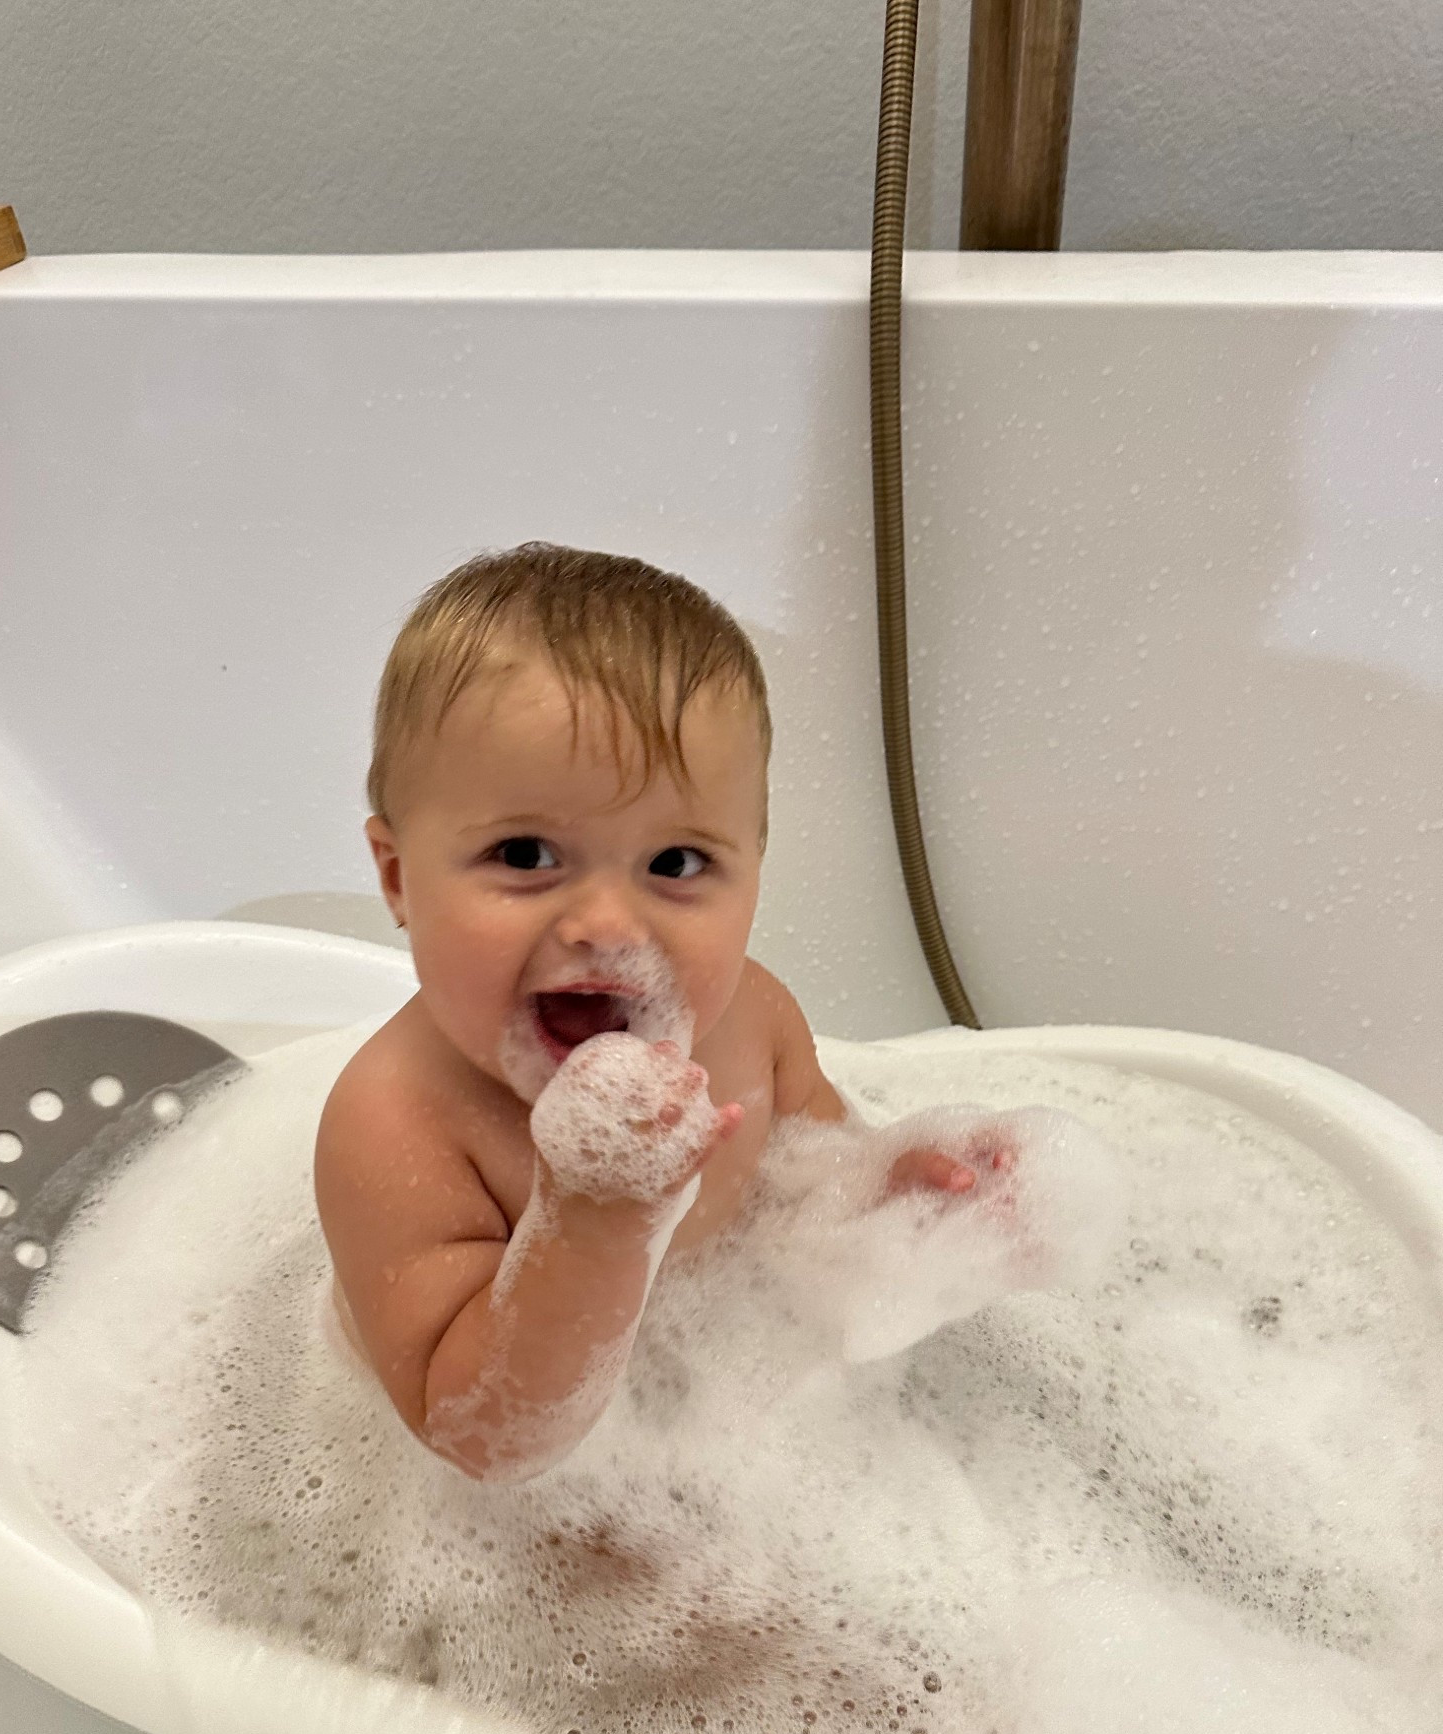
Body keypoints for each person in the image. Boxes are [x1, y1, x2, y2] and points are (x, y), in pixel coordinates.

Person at [316, 542, 990, 1483]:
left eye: (675, 864)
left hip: (713, 1411)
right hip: (502, 1490)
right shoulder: (396, 1125)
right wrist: (589, 1221)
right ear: (397, 877)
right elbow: (476, 1438)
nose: (603, 924)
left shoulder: (754, 1018)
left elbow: (811, 1176)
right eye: (524, 853)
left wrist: (894, 1194)